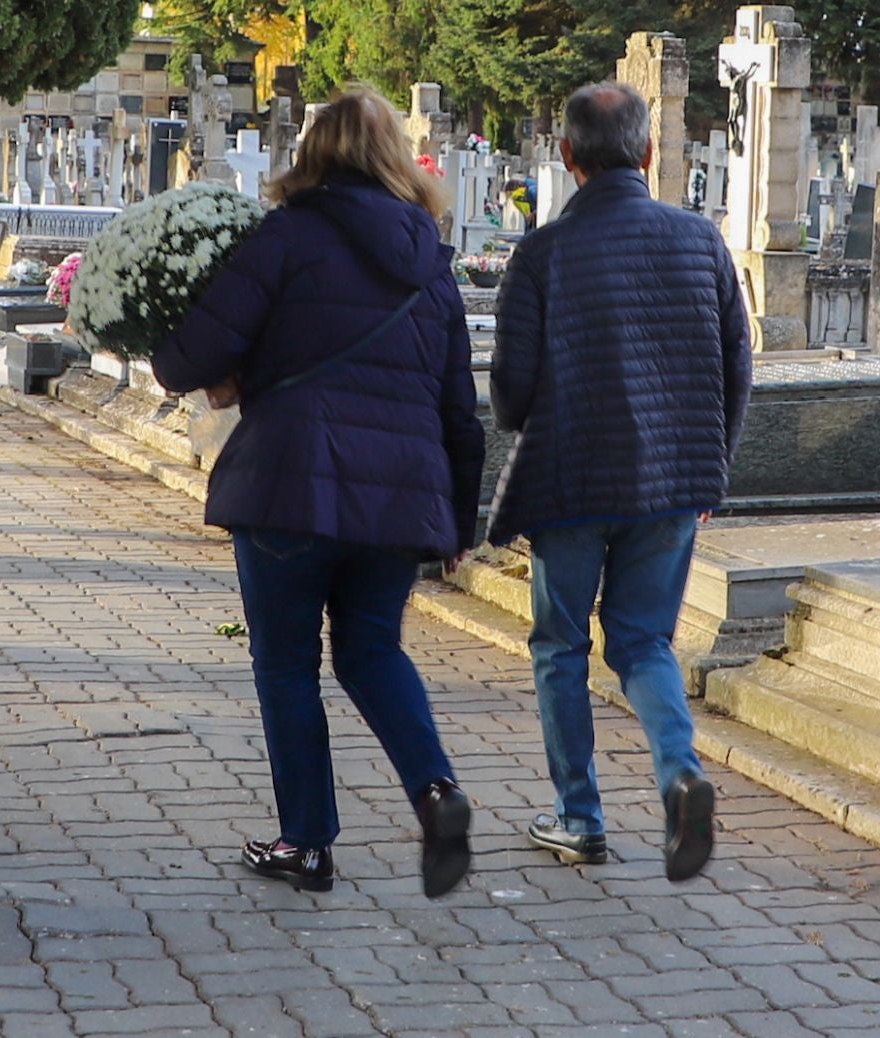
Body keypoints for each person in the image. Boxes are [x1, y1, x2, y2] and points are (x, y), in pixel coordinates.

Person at [152, 87, 485, 899]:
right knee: (373, 650)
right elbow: (458, 408)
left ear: (314, 153)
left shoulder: (286, 236)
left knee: (288, 666)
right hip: (399, 497)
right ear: (395, 157)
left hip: (289, 482)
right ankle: (437, 790)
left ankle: (307, 843)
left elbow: (190, 354)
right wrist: (458, 523)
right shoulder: (431, 263)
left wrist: (182, 347)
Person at [489, 82, 752, 883]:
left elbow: (509, 397)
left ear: (567, 158)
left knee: (561, 644)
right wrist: (713, 468)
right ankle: (679, 772)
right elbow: (738, 368)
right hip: (674, 479)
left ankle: (580, 816)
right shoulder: (701, 240)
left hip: (570, 477)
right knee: (643, 641)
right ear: (646, 154)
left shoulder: (539, 255)